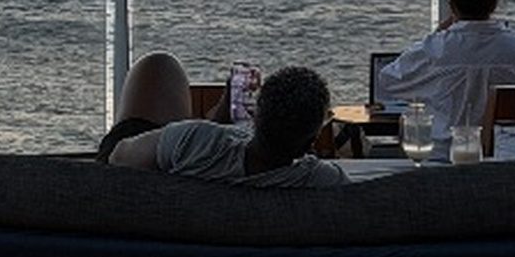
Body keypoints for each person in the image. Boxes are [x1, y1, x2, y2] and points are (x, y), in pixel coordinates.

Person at [375, 0, 515, 161]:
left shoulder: (437, 48)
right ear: (495, 1)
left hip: (440, 157)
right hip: (503, 157)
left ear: (451, 4)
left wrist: (437, 34)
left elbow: (388, 80)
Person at [99, 52, 347, 188]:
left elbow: (118, 159)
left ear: (255, 115)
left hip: (154, 169)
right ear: (310, 143)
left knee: (159, 64)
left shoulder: (196, 141)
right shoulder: (322, 181)